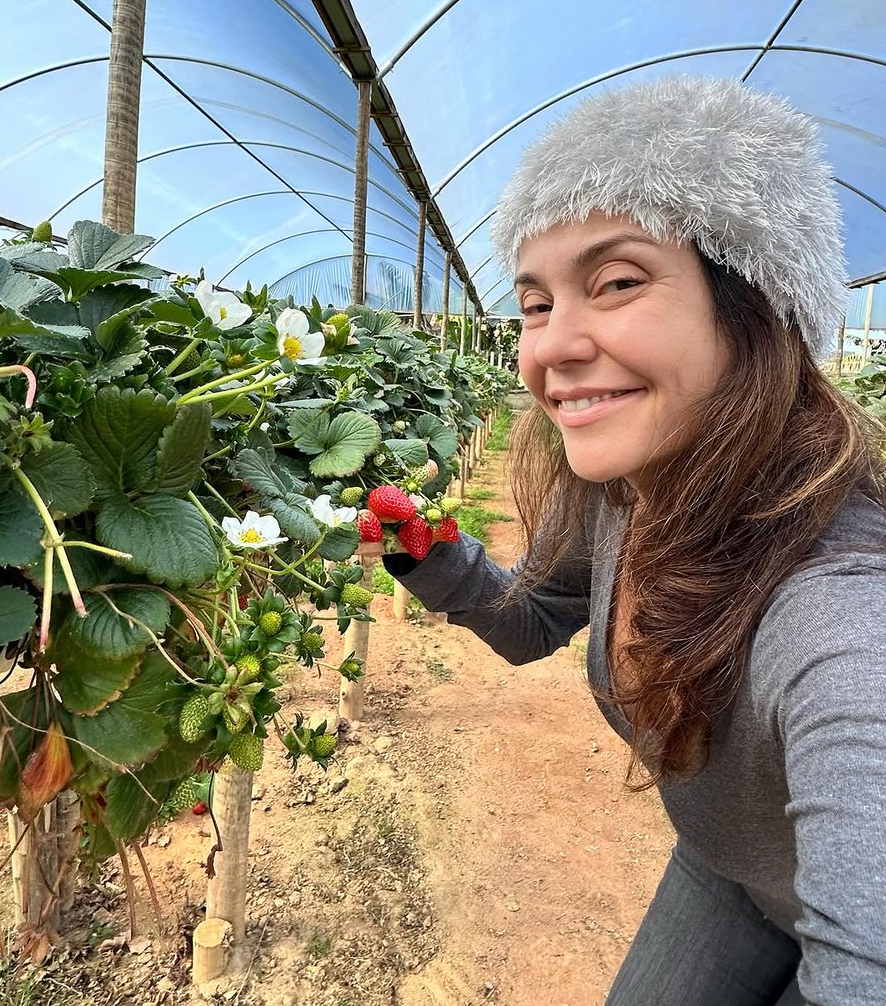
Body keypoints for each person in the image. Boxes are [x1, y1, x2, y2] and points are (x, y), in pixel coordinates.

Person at [365, 77, 886, 1005]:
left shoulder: (841, 612)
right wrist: (429, 556)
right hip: (721, 871)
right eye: (534, 303)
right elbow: (530, 623)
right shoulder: (623, 496)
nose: (552, 347)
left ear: (754, 306)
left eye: (616, 282)